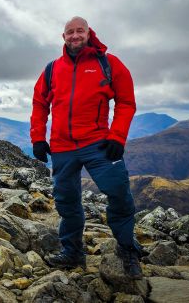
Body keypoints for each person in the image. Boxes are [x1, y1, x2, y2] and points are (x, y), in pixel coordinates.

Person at [30, 16, 143, 279]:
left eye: (79, 31)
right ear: (63, 37)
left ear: (88, 33)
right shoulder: (52, 69)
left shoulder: (108, 64)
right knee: (66, 201)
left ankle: (128, 249)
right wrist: (38, 138)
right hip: (62, 147)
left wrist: (118, 137)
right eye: (70, 32)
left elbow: (126, 102)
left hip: (98, 144)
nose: (75, 35)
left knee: (118, 192)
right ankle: (72, 252)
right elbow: (39, 104)